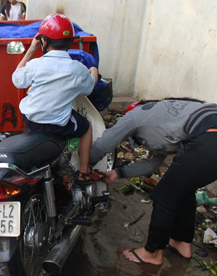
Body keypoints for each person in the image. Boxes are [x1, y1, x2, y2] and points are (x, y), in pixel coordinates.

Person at [90, 98, 217, 265]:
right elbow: (152, 163)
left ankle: (152, 252)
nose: (141, 142)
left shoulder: (134, 115)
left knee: (164, 194)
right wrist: (117, 173)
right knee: (183, 189)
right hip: (208, 134)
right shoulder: (167, 117)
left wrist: (85, 166)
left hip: (210, 135)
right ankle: (181, 242)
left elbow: (104, 143)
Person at [12, 13, 104, 182]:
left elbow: (17, 80)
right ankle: (83, 171)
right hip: (56, 125)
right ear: (71, 42)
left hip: (31, 119)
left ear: (43, 41)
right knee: (86, 126)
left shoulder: (36, 64)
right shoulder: (77, 69)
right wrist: (94, 71)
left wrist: (31, 50)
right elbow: (90, 88)